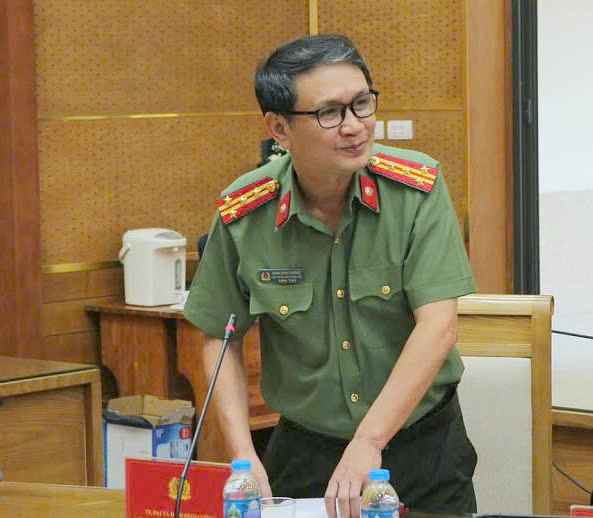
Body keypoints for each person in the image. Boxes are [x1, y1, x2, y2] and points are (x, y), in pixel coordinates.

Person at [184, 34, 477, 518]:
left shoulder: (416, 190)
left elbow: (439, 326)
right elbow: (220, 335)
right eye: (329, 113)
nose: (354, 126)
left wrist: (370, 441)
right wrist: (243, 455)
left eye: (361, 103)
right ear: (279, 128)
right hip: (307, 454)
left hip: (422, 450)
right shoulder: (245, 213)